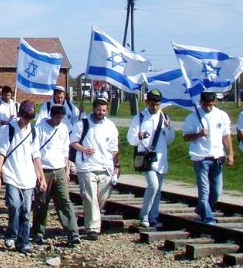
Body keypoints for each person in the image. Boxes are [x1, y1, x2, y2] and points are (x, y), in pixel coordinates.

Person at [0, 100, 45, 254]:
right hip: (11, 174)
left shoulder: (33, 131)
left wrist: (41, 176)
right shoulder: (8, 130)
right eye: (25, 117)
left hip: (28, 176)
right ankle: (11, 234)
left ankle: (23, 242)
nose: (27, 121)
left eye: (30, 118)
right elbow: (1, 153)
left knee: (26, 211)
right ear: (20, 115)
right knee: (14, 205)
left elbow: (36, 155)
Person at [70, 95, 119, 240]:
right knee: (90, 198)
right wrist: (84, 149)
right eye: (99, 110)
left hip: (105, 166)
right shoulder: (82, 124)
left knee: (101, 198)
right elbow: (73, 142)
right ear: (94, 109)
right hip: (87, 166)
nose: (101, 113)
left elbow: (114, 149)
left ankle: (91, 219)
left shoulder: (110, 126)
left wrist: (116, 166)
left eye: (104, 110)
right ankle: (92, 229)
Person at [182, 91, 235, 224]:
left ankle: (202, 209)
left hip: (217, 157)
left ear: (214, 102)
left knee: (217, 191)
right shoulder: (193, 117)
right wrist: (199, 134)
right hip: (200, 158)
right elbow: (185, 137)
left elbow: (226, 135)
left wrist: (230, 153)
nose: (208, 108)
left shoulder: (221, 115)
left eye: (210, 105)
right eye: (205, 105)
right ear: (201, 103)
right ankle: (208, 218)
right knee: (204, 190)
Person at [31, 104, 80, 246]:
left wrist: (66, 169)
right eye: (57, 117)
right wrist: (39, 174)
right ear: (51, 115)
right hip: (44, 169)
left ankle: (72, 233)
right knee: (41, 203)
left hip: (59, 169)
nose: (59, 120)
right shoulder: (40, 128)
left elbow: (65, 150)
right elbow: (35, 152)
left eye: (61, 118)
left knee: (64, 202)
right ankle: (39, 232)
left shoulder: (63, 128)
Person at [126, 89, 175, 228]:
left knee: (158, 189)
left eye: (157, 104)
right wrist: (139, 137)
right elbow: (131, 139)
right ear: (147, 102)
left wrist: (169, 127)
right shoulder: (140, 117)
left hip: (161, 158)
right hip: (147, 158)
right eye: (152, 104)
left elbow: (170, 140)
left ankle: (153, 217)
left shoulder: (164, 117)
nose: (155, 107)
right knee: (153, 186)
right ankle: (144, 216)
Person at [0, 86, 19, 174]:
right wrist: (5, 122)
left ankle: (6, 174)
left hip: (11, 135)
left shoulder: (15, 105)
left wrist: (14, 120)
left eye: (9, 95)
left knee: (9, 156)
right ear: (2, 95)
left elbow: (19, 118)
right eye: (5, 95)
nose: (7, 97)